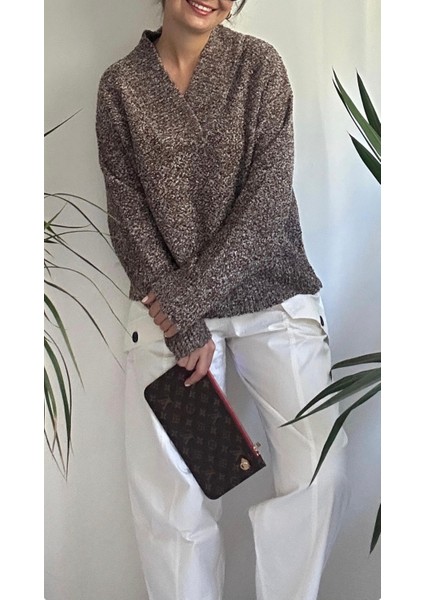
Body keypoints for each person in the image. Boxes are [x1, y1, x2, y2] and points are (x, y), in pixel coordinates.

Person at [95, 1, 350, 599]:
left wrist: (190, 300)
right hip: (167, 313)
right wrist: (184, 324)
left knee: (321, 470)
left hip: (270, 294)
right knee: (171, 500)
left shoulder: (259, 66)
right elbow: (127, 214)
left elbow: (268, 201)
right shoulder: (121, 87)